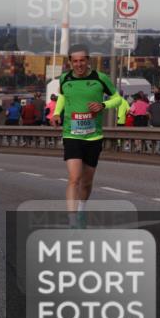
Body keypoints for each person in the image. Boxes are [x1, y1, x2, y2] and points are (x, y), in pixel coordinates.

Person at [51, 45, 123, 228]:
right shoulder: (65, 78)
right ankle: (72, 220)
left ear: (88, 60)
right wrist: (57, 113)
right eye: (75, 61)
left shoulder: (100, 78)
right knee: (74, 177)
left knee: (87, 180)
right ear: (70, 62)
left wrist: (103, 105)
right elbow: (61, 97)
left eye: (82, 60)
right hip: (71, 134)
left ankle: (81, 209)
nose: (79, 64)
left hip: (93, 137)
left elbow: (118, 98)